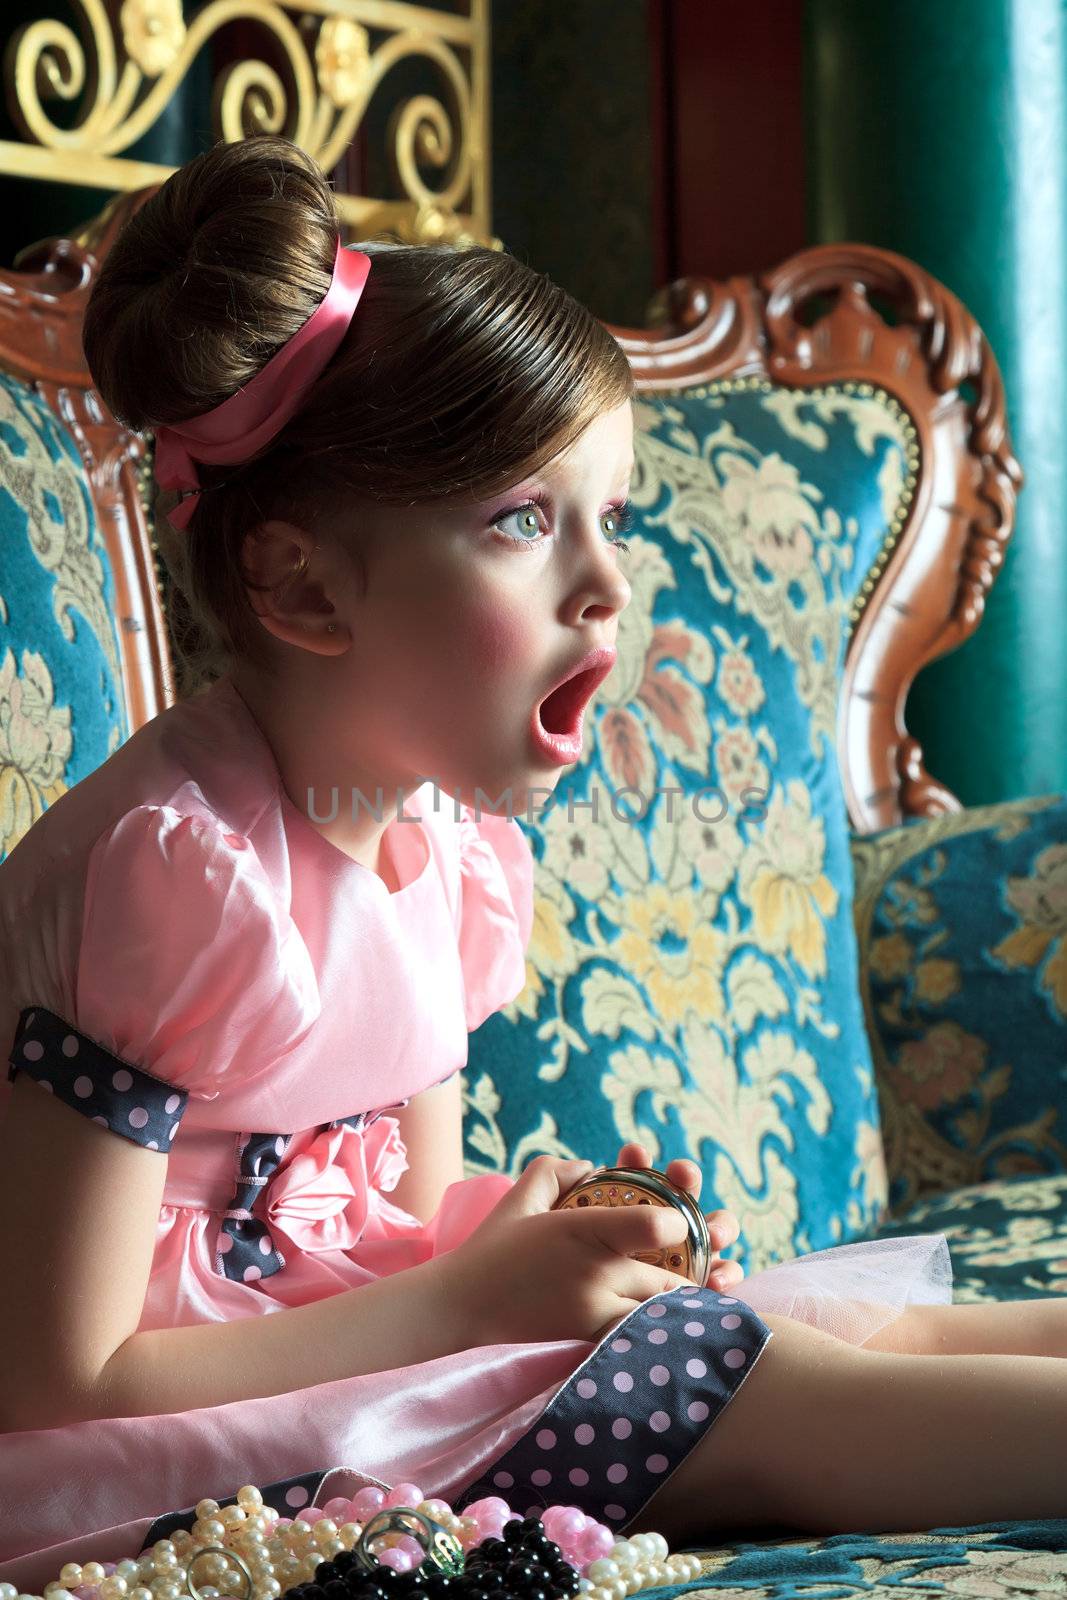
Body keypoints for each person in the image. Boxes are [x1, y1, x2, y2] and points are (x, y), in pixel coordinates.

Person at [1, 134, 1065, 1587]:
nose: (610, 583)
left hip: (369, 1365)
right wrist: (470, 1299)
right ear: (301, 582)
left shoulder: (442, 854)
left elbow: (401, 1220)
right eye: (521, 520)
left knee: (835, 1324)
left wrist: (557, 1237)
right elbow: (60, 1383)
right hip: (146, 1458)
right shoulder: (172, 875)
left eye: (610, 518)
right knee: (763, 1386)